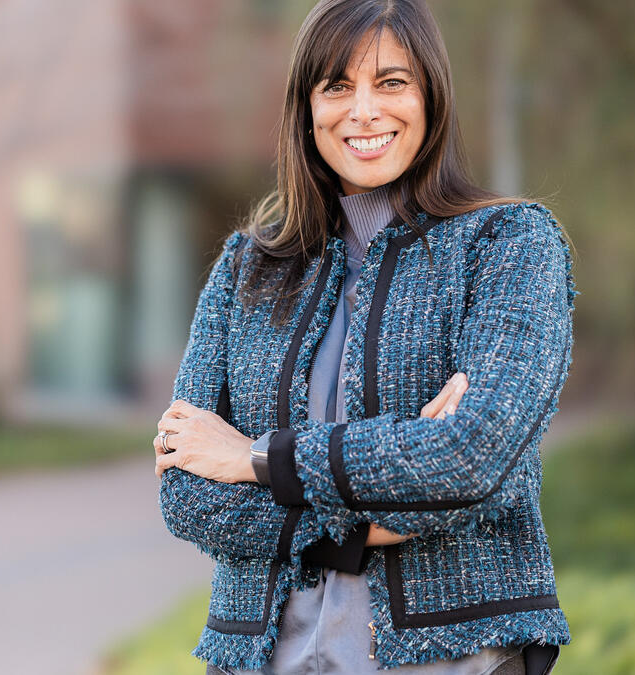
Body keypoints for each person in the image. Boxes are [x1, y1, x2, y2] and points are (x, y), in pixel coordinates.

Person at [154, 1, 577, 673]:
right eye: (337, 86)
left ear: (430, 95)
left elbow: (472, 456)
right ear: (306, 108)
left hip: (451, 656)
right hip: (261, 657)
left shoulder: (509, 244)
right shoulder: (246, 269)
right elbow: (187, 486)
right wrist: (377, 515)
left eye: (390, 82)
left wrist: (255, 458)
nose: (364, 110)